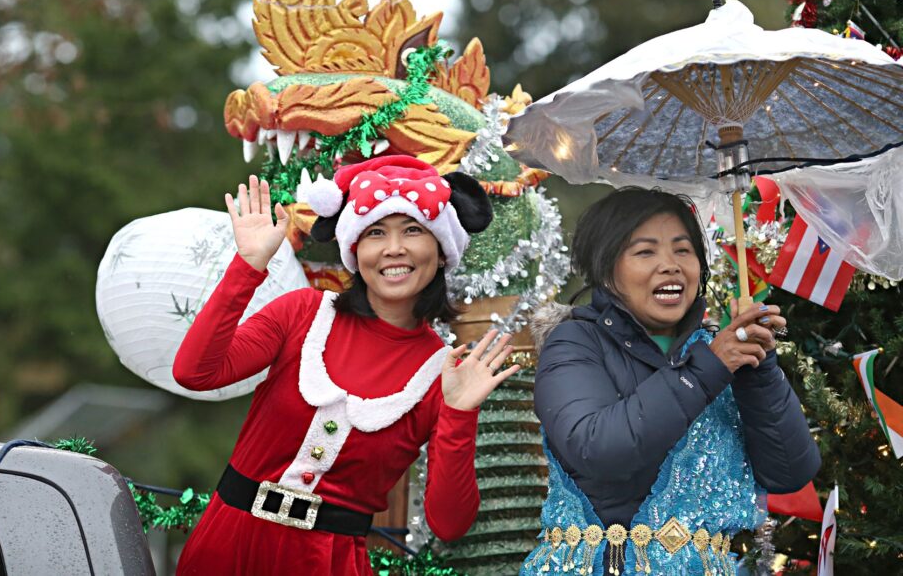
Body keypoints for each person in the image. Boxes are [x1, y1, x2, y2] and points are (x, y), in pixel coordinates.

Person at [173, 156, 520, 576]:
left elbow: (449, 524)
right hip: (227, 549)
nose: (394, 248)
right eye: (376, 232)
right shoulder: (301, 313)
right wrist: (248, 267)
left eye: (413, 230)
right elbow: (195, 372)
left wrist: (460, 414)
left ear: (442, 250)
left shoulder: (444, 375)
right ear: (355, 249)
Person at [522, 187, 820, 576]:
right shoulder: (575, 341)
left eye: (683, 250)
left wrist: (759, 372)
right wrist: (708, 368)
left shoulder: (717, 350)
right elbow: (597, 447)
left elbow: (790, 474)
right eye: (645, 252)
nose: (671, 265)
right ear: (607, 269)